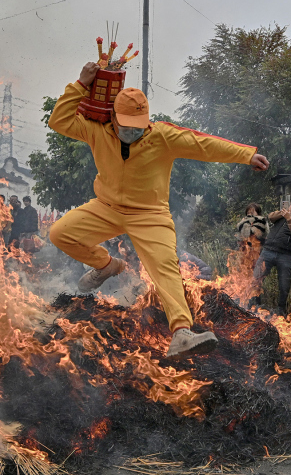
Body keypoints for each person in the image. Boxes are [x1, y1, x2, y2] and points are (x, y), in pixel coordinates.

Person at [47, 61, 270, 358]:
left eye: (138, 126)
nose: (133, 131)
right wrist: (80, 85)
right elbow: (59, 121)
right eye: (126, 125)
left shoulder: (163, 135)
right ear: (112, 117)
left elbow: (204, 145)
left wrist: (247, 155)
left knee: (166, 268)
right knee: (60, 233)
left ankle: (182, 333)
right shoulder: (95, 130)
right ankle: (106, 265)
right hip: (106, 207)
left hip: (150, 215)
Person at [252, 192, 291, 314]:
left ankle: (281, 311)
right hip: (268, 251)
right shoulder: (284, 213)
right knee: (256, 278)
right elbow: (270, 217)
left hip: (285, 255)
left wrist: (289, 219)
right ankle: (255, 306)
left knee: (284, 285)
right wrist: (286, 212)